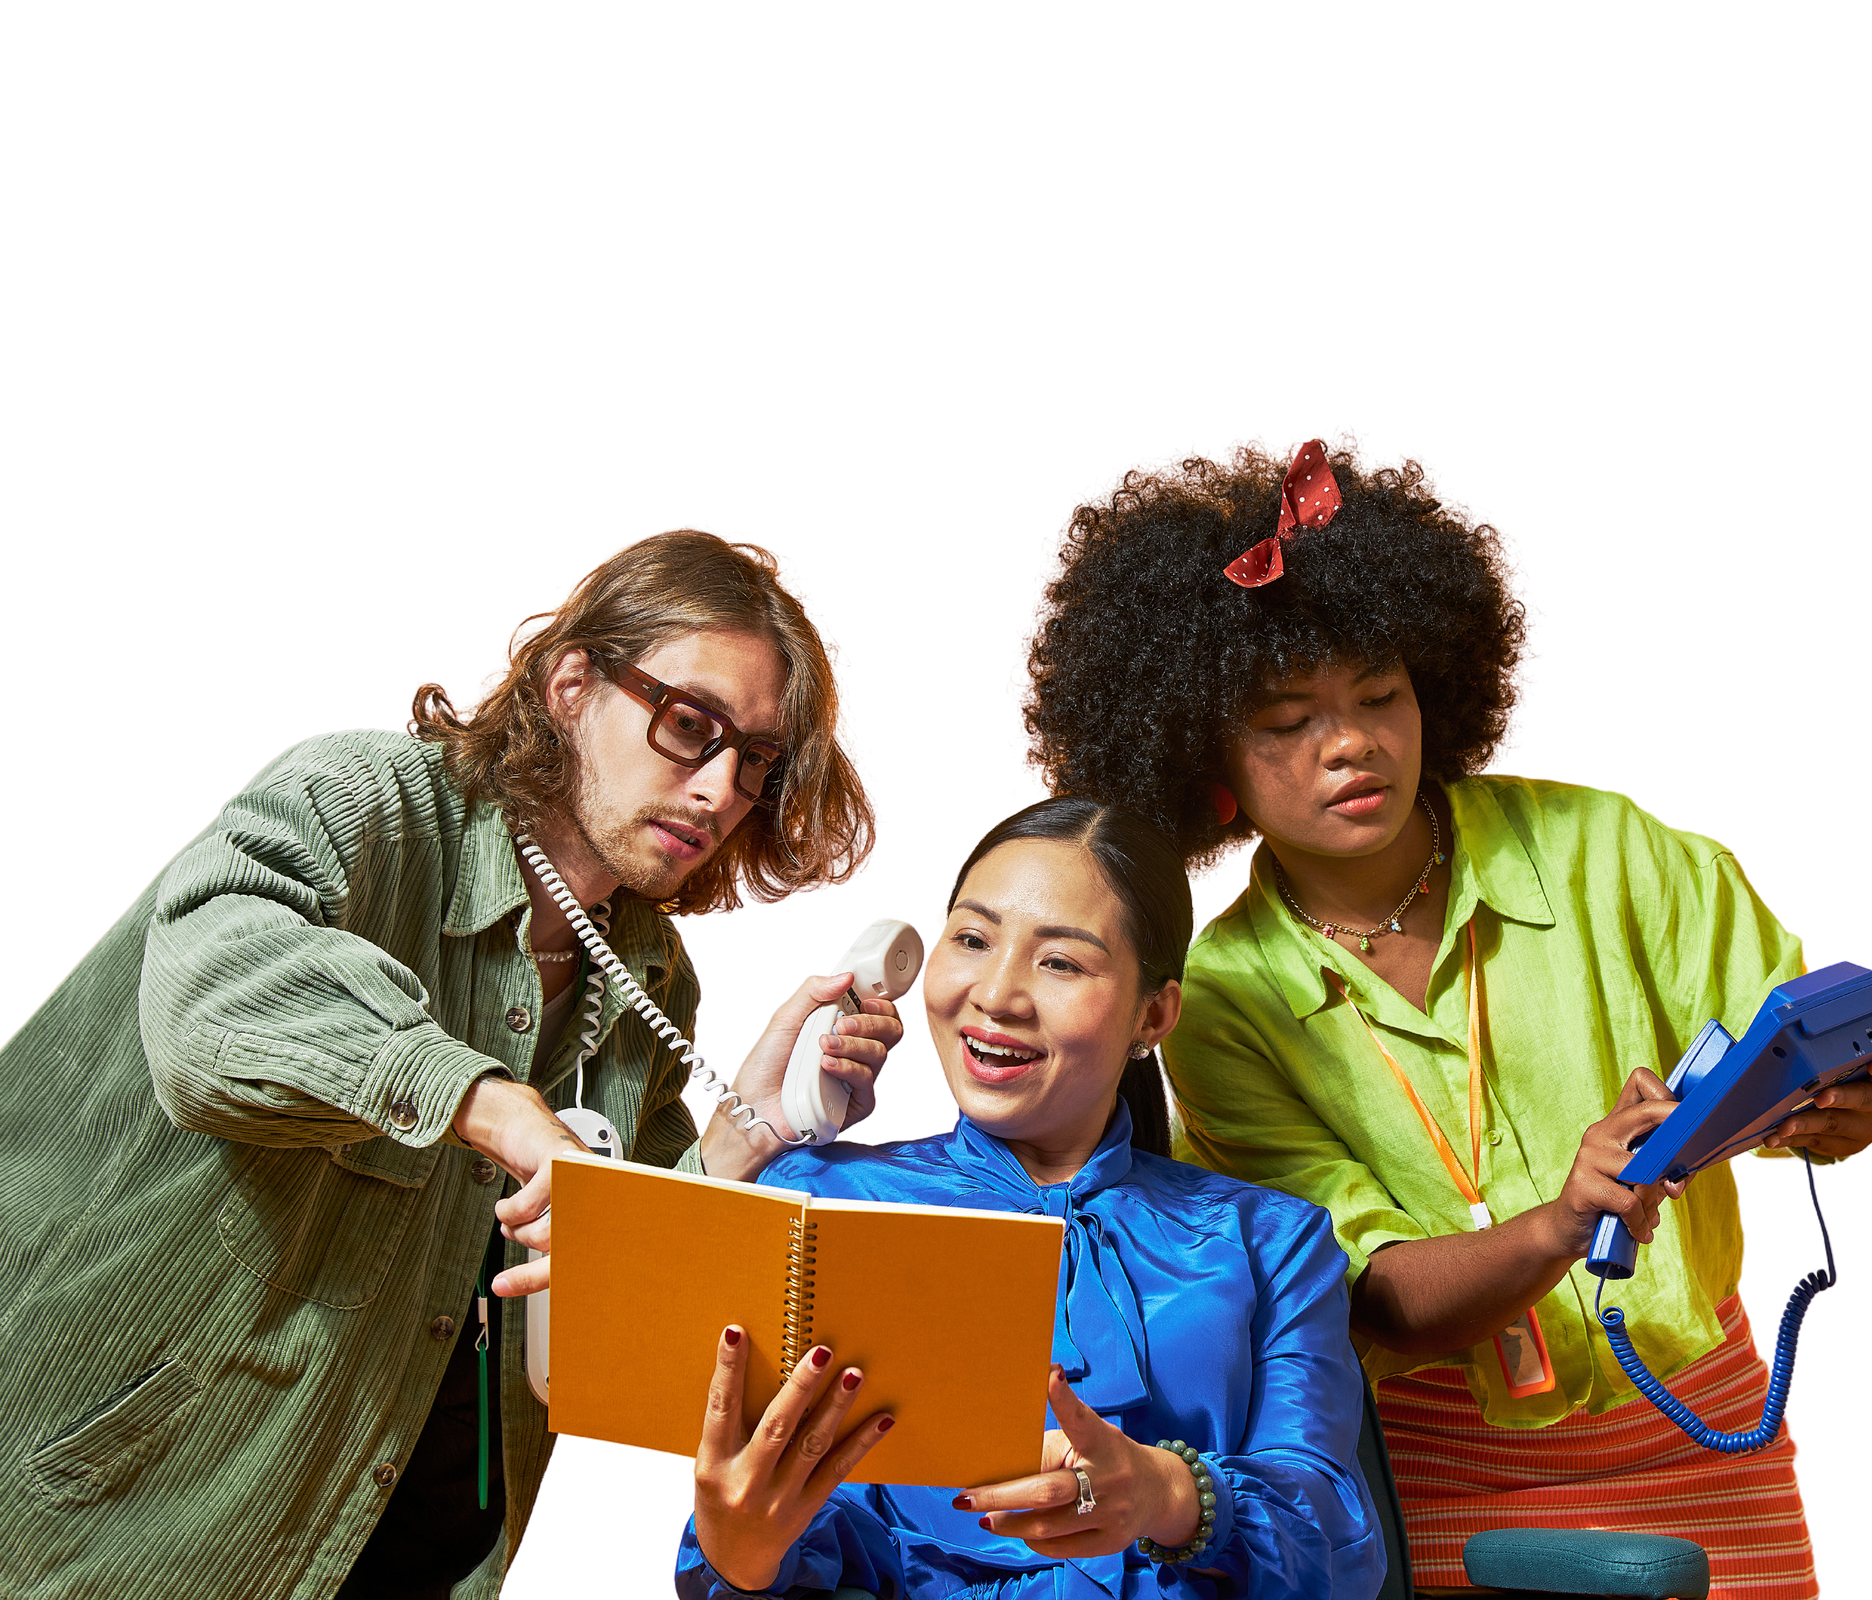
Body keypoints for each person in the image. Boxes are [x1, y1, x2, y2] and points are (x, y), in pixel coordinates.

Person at [1013, 433, 1872, 1598]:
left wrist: (1835, 1105)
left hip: (1709, 1434)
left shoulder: (1608, 848)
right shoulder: (1212, 1003)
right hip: (1439, 1480)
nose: (1351, 742)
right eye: (1287, 720)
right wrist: (1561, 1221)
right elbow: (1368, 1295)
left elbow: (1816, 1033)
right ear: (1205, 753)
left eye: (1381, 694)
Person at [0, 527, 910, 1600]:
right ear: (571, 685)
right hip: (145, 1528)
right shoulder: (363, 799)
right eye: (688, 725)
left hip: (419, 1544)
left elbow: (622, 1285)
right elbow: (209, 1001)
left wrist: (748, 1124)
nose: (719, 791)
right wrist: (493, 1105)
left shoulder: (650, 972)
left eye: (752, 761)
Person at [672, 797, 1386, 1600]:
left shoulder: (1274, 1240)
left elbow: (1340, 1549)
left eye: (1061, 963)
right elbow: (782, 1531)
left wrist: (1168, 1494)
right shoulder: (820, 1202)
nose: (998, 996)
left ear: (1154, 1014)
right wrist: (740, 1554)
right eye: (972, 940)